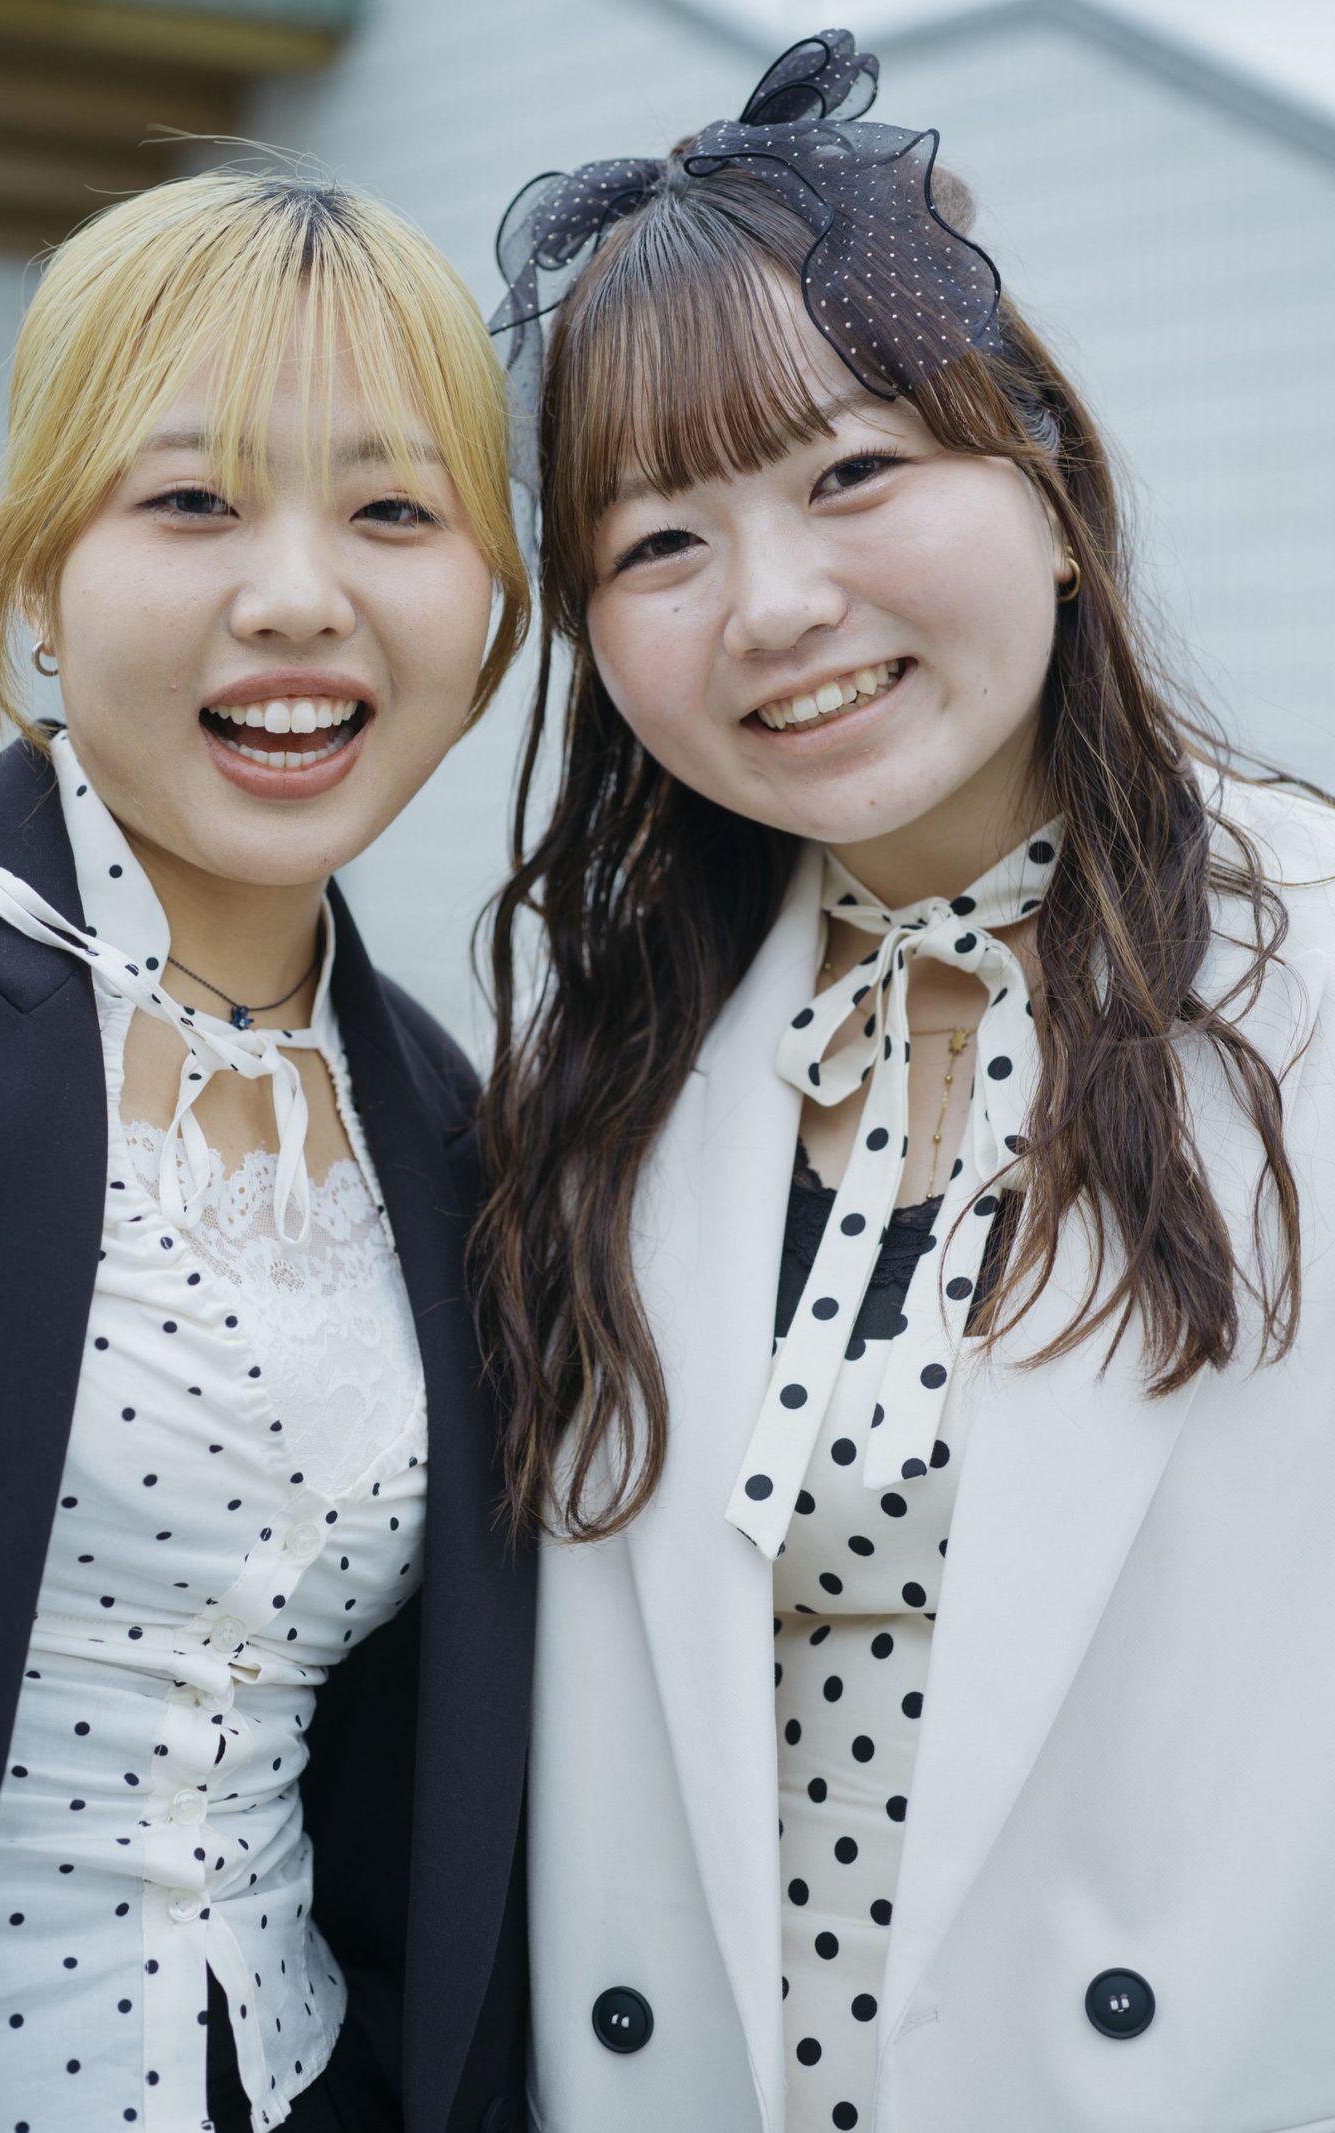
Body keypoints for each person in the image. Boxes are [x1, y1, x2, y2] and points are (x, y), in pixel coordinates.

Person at [477, 30, 1335, 2133]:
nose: (775, 605)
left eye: (850, 472)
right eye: (656, 543)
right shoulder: (605, 1062)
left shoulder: (1309, 970)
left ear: (1049, 486)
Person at [0, 168, 533, 2133]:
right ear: (36, 571)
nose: (297, 594)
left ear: (493, 597)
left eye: (393, 511)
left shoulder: (450, 1126)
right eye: (190, 500)